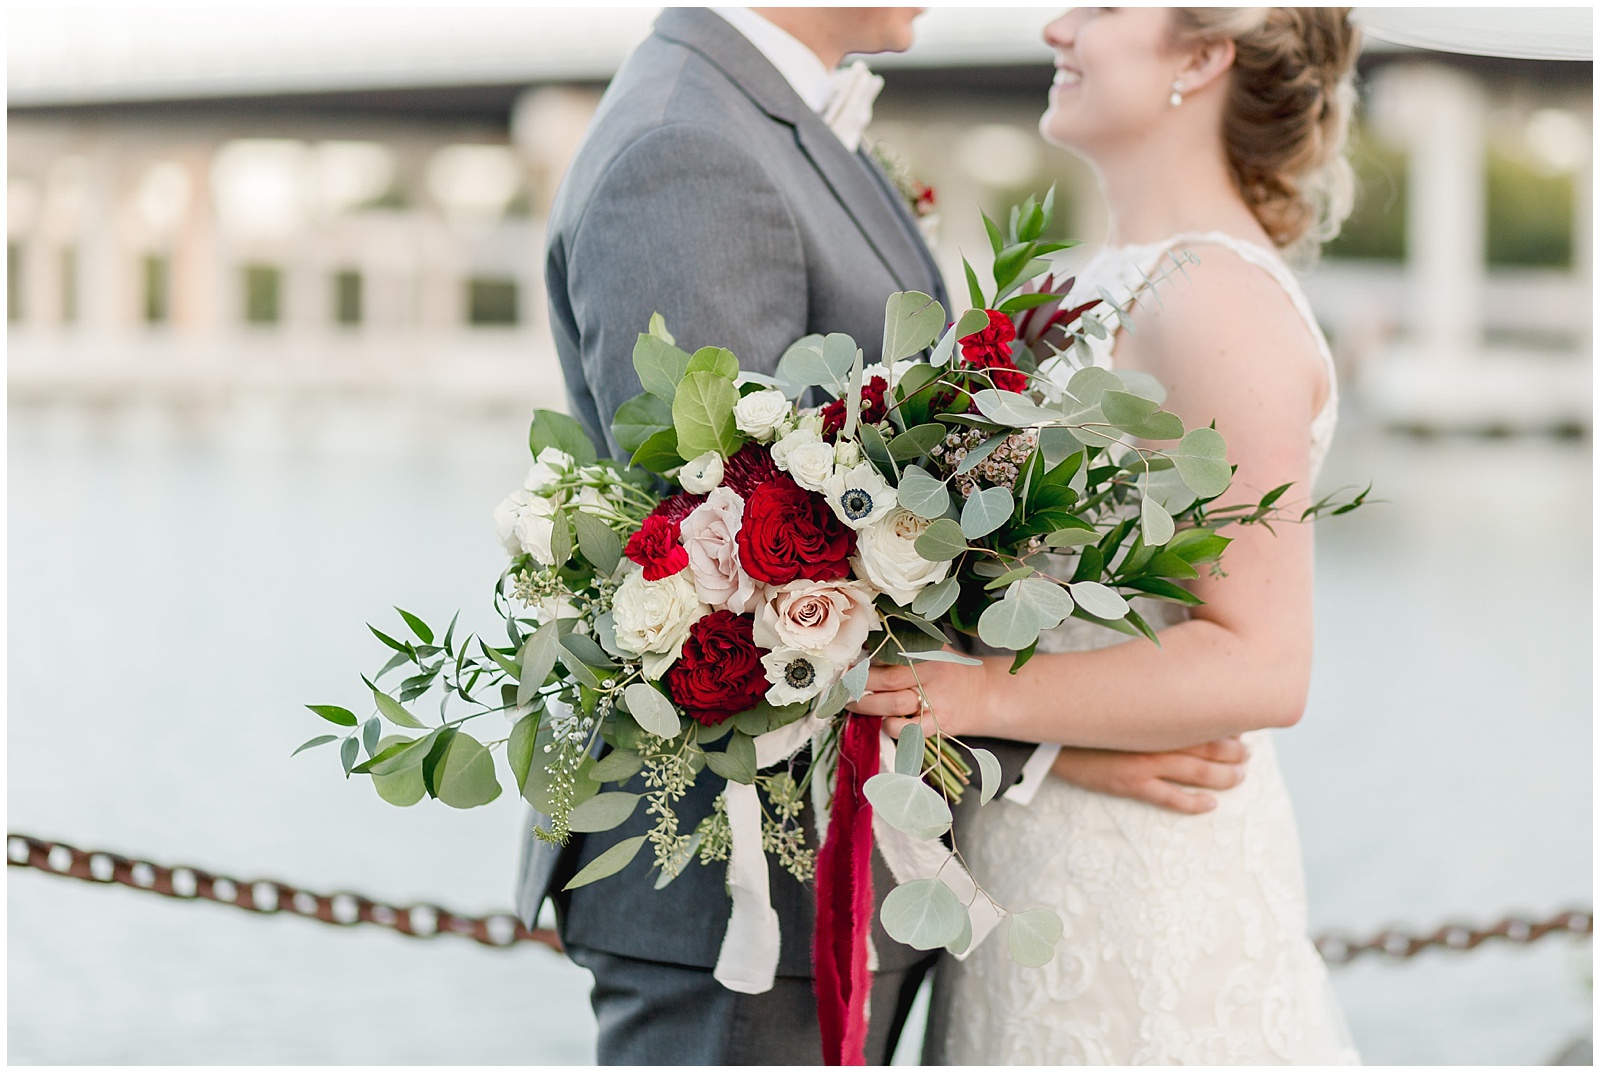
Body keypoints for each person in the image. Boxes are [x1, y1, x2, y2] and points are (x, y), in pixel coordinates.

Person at [522, 7, 1250, 1064]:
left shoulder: (768, 121)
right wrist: (1053, 739)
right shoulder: (688, 150)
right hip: (745, 895)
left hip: (839, 861)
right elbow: (743, 570)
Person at [848, 7, 1365, 1064]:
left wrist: (985, 698)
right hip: (1032, 863)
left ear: (1202, 51)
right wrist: (1041, 738)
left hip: (1147, 890)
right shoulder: (1072, 283)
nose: (1054, 26)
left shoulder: (1218, 300)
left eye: (1102, 7)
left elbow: (1263, 659)